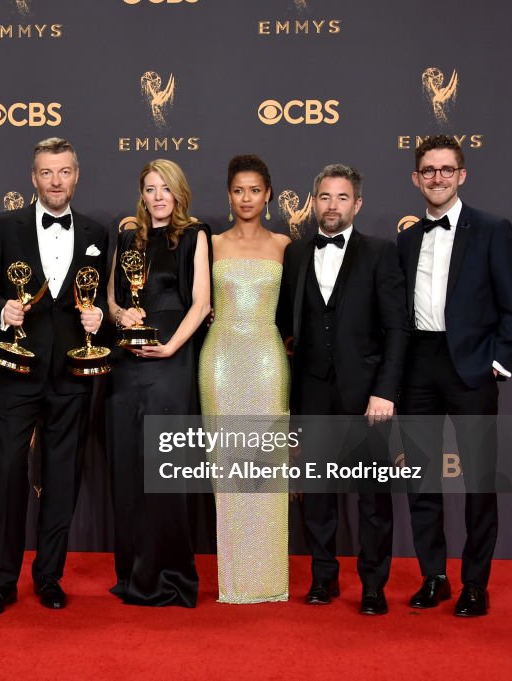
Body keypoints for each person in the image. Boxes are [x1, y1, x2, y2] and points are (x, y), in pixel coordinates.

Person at [0, 137, 108, 616]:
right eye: (47, 173)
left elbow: (100, 304)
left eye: (65, 172)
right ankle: (3, 583)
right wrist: (3, 309)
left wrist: (100, 324)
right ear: (33, 178)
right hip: (16, 371)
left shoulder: (98, 231)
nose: (56, 181)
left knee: (62, 479)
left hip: (73, 374)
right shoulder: (2, 225)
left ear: (76, 175)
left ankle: (50, 577)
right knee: (8, 476)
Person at [397, 135, 512, 617]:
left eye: (446, 169)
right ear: (416, 178)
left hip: (472, 365)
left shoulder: (493, 229)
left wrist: (497, 363)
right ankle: (435, 576)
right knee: (422, 479)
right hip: (418, 367)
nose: (437, 178)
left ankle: (475, 582)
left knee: (479, 481)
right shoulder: (407, 239)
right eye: (428, 170)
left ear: (462, 175)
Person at [277, 164, 407, 615]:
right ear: (314, 202)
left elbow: (397, 329)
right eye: (325, 198)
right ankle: (323, 577)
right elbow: (284, 323)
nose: (332, 207)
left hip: (367, 394)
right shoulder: (294, 254)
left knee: (373, 497)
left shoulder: (380, 253)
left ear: (358, 204)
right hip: (312, 391)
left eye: (342, 198)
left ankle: (373, 584)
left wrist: (385, 390)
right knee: (316, 494)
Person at [106, 159, 210, 607]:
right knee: (129, 467)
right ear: (142, 195)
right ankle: (133, 573)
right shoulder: (127, 236)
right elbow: (110, 297)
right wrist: (121, 315)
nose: (158, 196)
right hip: (128, 363)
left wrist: (171, 348)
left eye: (165, 188)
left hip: (171, 362)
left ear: (179, 192)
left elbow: (202, 303)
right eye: (150, 188)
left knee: (164, 470)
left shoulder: (194, 236)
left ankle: (170, 575)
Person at [199, 155, 291, 604]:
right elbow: (192, 302)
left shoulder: (284, 245)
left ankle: (269, 578)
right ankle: (234, 578)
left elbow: (299, 312)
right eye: (239, 190)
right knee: (228, 464)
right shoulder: (210, 243)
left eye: (255, 190)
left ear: (268, 194)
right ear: (229, 195)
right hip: (220, 359)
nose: (247, 198)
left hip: (267, 360)